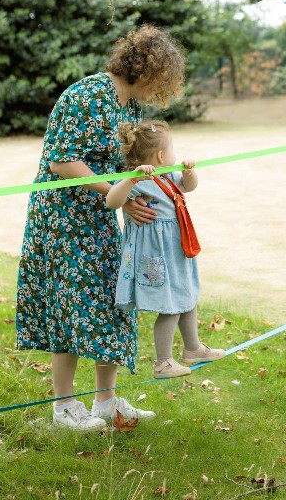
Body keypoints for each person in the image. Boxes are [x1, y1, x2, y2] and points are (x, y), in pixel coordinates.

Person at [16, 25, 184, 431]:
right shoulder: (86, 95)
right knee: (71, 307)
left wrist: (140, 196)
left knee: (113, 302)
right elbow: (62, 162)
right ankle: (64, 408)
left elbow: (124, 166)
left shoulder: (128, 108)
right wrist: (119, 194)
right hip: (62, 221)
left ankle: (106, 402)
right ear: (147, 70)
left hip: (99, 217)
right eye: (163, 79)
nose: (163, 88)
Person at [106, 119, 225, 379]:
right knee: (169, 305)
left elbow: (189, 187)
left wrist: (189, 173)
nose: (174, 154)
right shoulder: (137, 180)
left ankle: (193, 348)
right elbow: (111, 200)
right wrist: (130, 179)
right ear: (161, 155)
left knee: (186, 294)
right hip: (155, 254)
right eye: (172, 149)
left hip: (176, 249)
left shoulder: (169, 174)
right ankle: (163, 362)